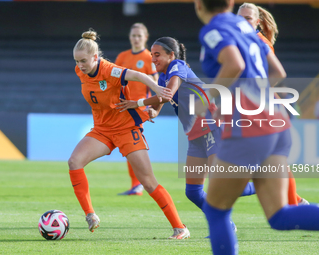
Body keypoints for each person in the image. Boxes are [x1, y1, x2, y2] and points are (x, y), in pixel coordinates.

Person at [194, 0, 319, 254]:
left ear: (199, 4)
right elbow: (278, 72)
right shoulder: (246, 29)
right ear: (230, 3)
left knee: (216, 209)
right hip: (276, 120)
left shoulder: (213, 28)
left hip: (249, 127)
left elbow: (234, 64)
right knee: (279, 215)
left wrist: (210, 98)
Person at [116, 36, 256, 233]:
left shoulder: (177, 66)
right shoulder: (164, 76)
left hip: (212, 127)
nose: (153, 59)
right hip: (195, 135)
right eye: (151, 55)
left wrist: (137, 103)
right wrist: (153, 111)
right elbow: (160, 103)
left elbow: (168, 94)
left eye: (157, 55)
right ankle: (227, 224)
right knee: (193, 192)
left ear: (171, 55)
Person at [70, 29, 190, 239]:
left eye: (84, 61)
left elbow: (137, 75)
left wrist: (156, 88)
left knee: (148, 181)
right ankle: (90, 215)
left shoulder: (109, 70)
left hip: (126, 129)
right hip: (102, 130)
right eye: (77, 61)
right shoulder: (80, 71)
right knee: (74, 162)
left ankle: (180, 228)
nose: (80, 65)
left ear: (95, 58)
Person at [238, 2, 309, 206]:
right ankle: (296, 203)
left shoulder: (260, 43)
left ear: (257, 22)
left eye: (247, 18)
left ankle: (295, 204)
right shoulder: (238, 42)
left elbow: (276, 74)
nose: (242, 22)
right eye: (239, 18)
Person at [115, 23, 159, 196]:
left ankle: (140, 184)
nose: (136, 39)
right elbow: (115, 79)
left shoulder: (149, 57)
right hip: (123, 106)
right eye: (133, 35)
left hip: (139, 107)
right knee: (129, 147)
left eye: (139, 36)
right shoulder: (122, 56)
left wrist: (152, 107)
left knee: (132, 146)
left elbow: (156, 83)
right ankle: (137, 184)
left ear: (145, 38)